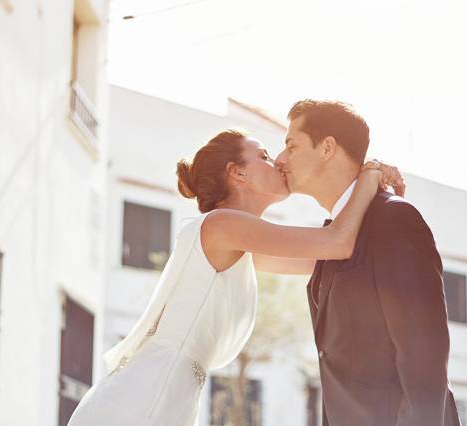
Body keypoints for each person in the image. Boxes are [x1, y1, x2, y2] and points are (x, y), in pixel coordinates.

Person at [67, 128, 403, 426]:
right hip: (144, 400)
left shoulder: (240, 243)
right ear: (238, 172)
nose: (279, 163)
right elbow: (337, 243)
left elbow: (331, 256)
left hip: (167, 395)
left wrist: (379, 203)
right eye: (264, 156)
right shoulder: (222, 226)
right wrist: (370, 174)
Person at [273, 100, 461, 426]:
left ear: (327, 148)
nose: (280, 159)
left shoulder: (393, 219)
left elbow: (423, 359)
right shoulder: (332, 237)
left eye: (291, 146)